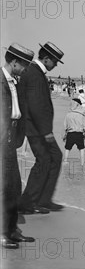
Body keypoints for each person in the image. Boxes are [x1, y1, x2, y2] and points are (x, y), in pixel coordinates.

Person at [18, 42, 65, 214]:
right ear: (46, 59)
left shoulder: (33, 71)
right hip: (37, 129)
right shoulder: (35, 74)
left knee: (50, 159)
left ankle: (42, 200)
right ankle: (30, 202)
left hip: (37, 127)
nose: (55, 65)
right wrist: (47, 132)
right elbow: (36, 105)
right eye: (55, 62)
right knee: (46, 160)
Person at [1, 44, 36, 248]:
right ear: (14, 63)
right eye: (24, 66)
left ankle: (11, 229)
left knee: (13, 187)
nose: (25, 70)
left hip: (11, 139)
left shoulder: (14, 81)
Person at [63, 98, 85, 166]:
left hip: (70, 133)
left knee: (67, 149)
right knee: (81, 149)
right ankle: (82, 163)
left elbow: (65, 126)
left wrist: (64, 136)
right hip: (79, 134)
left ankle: (65, 161)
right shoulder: (82, 115)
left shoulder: (68, 114)